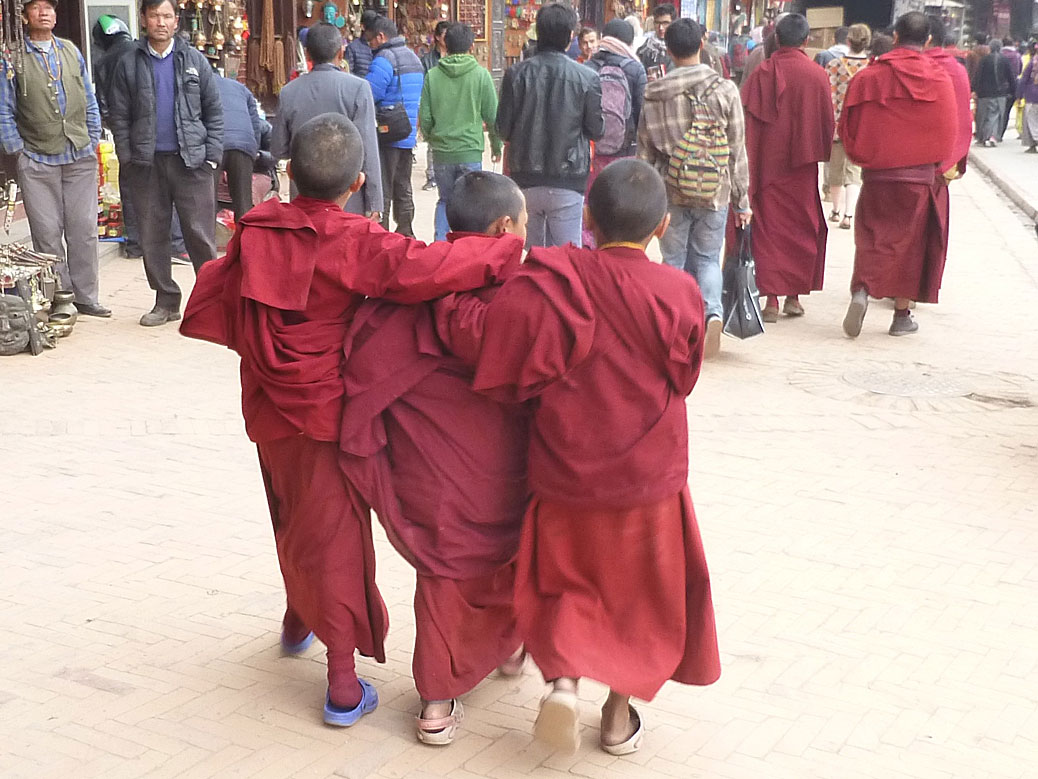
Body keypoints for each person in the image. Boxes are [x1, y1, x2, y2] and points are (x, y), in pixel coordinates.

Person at [179, 113, 525, 728]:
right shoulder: (354, 239)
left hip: (266, 404)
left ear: (288, 174)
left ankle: (297, 618)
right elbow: (429, 271)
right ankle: (342, 685)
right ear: (359, 182)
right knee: (335, 536)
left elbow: (219, 294)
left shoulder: (255, 230)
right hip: (323, 409)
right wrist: (503, 246)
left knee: (291, 511)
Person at [436, 158, 720, 755]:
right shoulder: (680, 292)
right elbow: (687, 376)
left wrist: (446, 301)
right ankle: (616, 719)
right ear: (662, 227)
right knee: (640, 599)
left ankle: (563, 682)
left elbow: (496, 347)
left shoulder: (552, 280)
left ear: (586, 218)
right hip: (648, 477)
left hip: (565, 468)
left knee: (566, 581)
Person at [339, 171, 529, 745]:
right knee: (509, 551)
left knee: (444, 566)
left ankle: (437, 701)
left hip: (433, 468)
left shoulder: (416, 287)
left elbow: (366, 368)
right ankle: (508, 649)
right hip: (503, 466)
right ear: (503, 228)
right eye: (521, 225)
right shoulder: (523, 295)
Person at [839, 12, 957, 338]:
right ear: (928, 41)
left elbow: (847, 126)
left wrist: (863, 156)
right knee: (910, 249)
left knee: (872, 238)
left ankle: (862, 290)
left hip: (877, 176)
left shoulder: (869, 77)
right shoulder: (940, 79)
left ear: (894, 38)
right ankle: (901, 316)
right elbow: (950, 132)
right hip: (918, 178)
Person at [638, 18, 750, 360]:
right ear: (702, 44)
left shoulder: (654, 93)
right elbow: (737, 149)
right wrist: (742, 200)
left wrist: (645, 200)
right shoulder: (725, 89)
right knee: (706, 259)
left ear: (668, 50)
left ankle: (674, 325)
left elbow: (644, 152)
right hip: (714, 190)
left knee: (672, 260)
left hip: (670, 190)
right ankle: (711, 314)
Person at [108, 0, 223, 327]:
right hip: (146, 164)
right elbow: (118, 114)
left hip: (192, 162)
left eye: (167, 16)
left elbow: (214, 111)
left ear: (176, 22)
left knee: (200, 235)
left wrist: (212, 156)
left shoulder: (194, 60)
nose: (161, 22)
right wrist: (127, 157)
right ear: (144, 19)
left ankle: (211, 303)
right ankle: (166, 301)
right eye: (155, 15)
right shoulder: (128, 62)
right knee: (152, 235)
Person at [0, 0, 109, 319]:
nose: (44, 13)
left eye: (49, 8)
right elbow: (4, 108)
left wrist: (92, 137)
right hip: (36, 157)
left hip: (78, 154)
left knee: (84, 229)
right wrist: (17, 150)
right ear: (24, 16)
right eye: (36, 8)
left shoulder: (71, 51)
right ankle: (61, 298)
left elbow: (88, 96)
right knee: (47, 233)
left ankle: (87, 297)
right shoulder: (13, 57)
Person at [740, 13, 834, 323]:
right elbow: (826, 128)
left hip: (766, 168)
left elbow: (747, 126)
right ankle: (794, 296)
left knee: (769, 230)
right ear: (807, 41)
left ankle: (772, 301)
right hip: (801, 171)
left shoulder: (761, 74)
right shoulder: (818, 76)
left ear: (776, 39)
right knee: (801, 229)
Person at [497, 3, 603, 248]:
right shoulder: (587, 77)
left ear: (538, 32)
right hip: (569, 177)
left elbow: (502, 128)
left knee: (532, 255)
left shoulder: (515, 74)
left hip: (524, 175)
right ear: (570, 37)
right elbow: (596, 130)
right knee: (567, 256)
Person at [272, 23, 383, 219]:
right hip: (348, 197)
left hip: (304, 197)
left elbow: (278, 149)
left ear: (307, 55)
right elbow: (368, 149)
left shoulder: (289, 91)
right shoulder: (358, 88)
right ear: (341, 53)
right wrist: (375, 201)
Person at [418, 22, 502, 241]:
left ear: (445, 44)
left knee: (445, 200)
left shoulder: (433, 76)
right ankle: (468, 251)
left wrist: (431, 137)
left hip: (442, 152)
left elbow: (425, 117)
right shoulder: (481, 76)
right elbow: (492, 117)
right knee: (472, 207)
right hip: (470, 151)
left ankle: (440, 248)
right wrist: (496, 145)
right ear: (472, 46)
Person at [367, 16, 424, 236]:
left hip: (387, 133)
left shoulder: (384, 58)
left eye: (370, 39)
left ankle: (384, 235)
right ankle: (406, 231)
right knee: (403, 185)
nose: (370, 44)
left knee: (385, 188)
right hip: (406, 132)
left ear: (381, 36)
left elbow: (370, 93)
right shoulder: (414, 57)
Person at [825, 23, 871, 230]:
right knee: (854, 171)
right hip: (861, 127)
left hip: (836, 125)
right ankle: (849, 214)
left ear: (848, 41)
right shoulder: (872, 68)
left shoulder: (834, 65)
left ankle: (835, 209)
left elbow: (828, 95)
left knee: (835, 170)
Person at [585, 18, 647, 164]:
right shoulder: (635, 68)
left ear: (603, 38)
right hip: (625, 148)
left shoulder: (587, 66)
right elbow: (641, 112)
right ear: (630, 42)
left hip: (591, 148)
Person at [215, 74, 265, 223]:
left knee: (207, 203)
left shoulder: (198, 85)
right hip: (244, 143)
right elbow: (255, 122)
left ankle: (208, 243)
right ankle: (245, 243)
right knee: (243, 203)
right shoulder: (240, 88)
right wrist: (253, 149)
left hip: (215, 144)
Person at [420, 20, 450, 192]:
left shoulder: (455, 56)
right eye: (445, 35)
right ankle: (432, 176)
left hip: (451, 101)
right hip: (434, 101)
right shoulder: (428, 60)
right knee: (433, 139)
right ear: (438, 37)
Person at [972, 41, 1017, 146]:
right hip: (1000, 93)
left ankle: (983, 136)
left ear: (990, 48)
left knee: (983, 115)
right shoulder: (1004, 60)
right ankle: (992, 136)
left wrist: (973, 89)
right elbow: (1011, 77)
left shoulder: (984, 60)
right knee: (996, 114)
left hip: (984, 93)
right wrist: (1013, 91)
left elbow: (978, 76)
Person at [638, 3, 675, 81]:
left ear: (673, 23)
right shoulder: (644, 50)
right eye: (657, 23)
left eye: (665, 23)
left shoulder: (682, 46)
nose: (661, 28)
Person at [345, 10, 377, 77]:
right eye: (371, 28)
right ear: (362, 27)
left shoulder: (380, 46)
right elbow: (348, 72)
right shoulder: (352, 47)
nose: (374, 31)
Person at [1019, 43, 1038, 152]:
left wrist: (1019, 95)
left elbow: (1023, 80)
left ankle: (1034, 142)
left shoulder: (1032, 63)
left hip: (1032, 96)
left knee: (1031, 121)